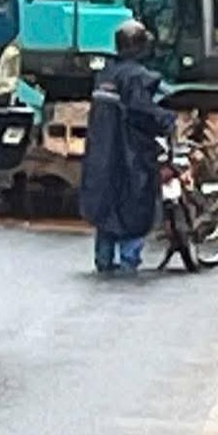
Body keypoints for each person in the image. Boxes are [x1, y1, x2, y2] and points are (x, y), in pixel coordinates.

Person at [78, 19, 175, 274]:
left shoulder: (105, 75)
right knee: (134, 207)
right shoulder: (137, 77)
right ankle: (128, 261)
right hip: (130, 157)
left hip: (101, 155)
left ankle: (104, 260)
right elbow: (142, 112)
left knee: (105, 208)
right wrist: (166, 120)